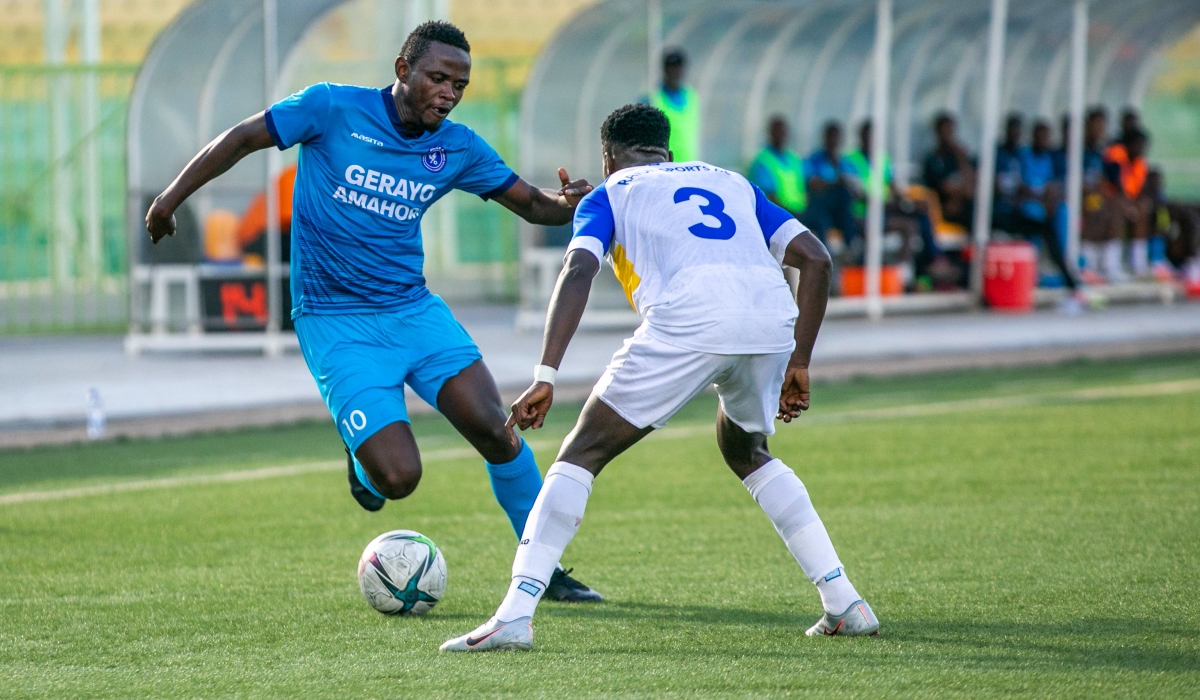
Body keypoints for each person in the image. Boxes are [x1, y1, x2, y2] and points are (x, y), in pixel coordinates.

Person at [144, 21, 602, 602]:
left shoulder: (456, 146)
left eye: (459, 85)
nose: (449, 93)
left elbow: (533, 205)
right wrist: (168, 199)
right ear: (403, 70)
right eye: (438, 78)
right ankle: (361, 460)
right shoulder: (329, 107)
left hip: (413, 310)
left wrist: (568, 206)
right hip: (335, 321)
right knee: (398, 479)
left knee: (498, 432)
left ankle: (545, 573)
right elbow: (239, 138)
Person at [441, 103, 877, 652]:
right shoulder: (732, 181)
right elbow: (814, 260)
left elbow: (578, 269)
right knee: (746, 448)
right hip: (771, 320)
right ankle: (844, 602)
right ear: (667, 151)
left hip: (690, 320)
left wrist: (546, 373)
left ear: (608, 158)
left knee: (580, 454)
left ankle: (513, 617)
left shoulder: (612, 190)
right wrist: (800, 362)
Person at [845, 120, 942, 282]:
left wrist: (908, 202)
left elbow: (893, 186)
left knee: (921, 212)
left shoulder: (882, 158)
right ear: (861, 137)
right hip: (864, 214)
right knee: (908, 226)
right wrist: (886, 202)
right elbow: (856, 193)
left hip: (885, 209)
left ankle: (934, 259)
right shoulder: (850, 160)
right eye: (868, 136)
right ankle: (902, 275)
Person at [1103, 128, 1155, 278]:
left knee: (1143, 208)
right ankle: (1111, 266)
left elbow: (1140, 189)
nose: (1142, 149)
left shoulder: (1140, 163)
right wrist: (1129, 204)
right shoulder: (1116, 156)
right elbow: (1117, 185)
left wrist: (1137, 204)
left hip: (1128, 200)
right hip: (1108, 199)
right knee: (1119, 209)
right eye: (1139, 145)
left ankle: (1138, 264)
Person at [804, 121, 857, 247]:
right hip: (820, 205)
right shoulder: (815, 160)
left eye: (836, 137)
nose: (833, 141)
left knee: (848, 210)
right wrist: (835, 183)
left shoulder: (844, 162)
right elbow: (814, 185)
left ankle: (849, 247)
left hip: (840, 210)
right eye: (830, 137)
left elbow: (853, 186)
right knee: (822, 220)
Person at [921, 112, 975, 229]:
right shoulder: (932, 159)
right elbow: (943, 188)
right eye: (945, 131)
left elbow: (970, 190)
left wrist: (961, 157)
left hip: (961, 205)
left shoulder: (959, 158)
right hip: (941, 207)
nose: (948, 135)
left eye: (951, 131)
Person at [647, 48, 701, 163]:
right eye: (671, 67)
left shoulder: (692, 96)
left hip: (689, 163)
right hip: (664, 164)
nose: (675, 71)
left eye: (678, 67)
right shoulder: (652, 98)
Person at [748, 116, 807, 218]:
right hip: (780, 213)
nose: (781, 135)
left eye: (783, 132)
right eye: (778, 132)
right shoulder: (763, 160)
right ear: (770, 133)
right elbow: (768, 195)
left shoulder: (794, 158)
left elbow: (805, 186)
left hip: (800, 211)